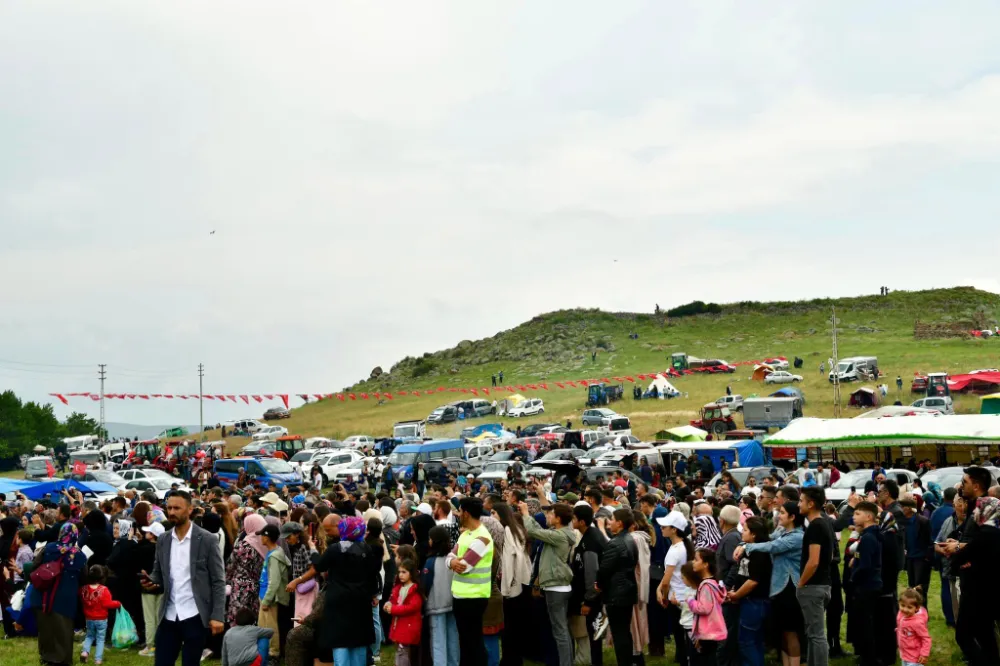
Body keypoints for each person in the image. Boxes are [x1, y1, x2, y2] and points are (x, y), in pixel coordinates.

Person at [141, 491, 226, 666]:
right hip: (169, 614)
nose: (171, 512)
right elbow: (159, 572)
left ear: (189, 510)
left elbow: (218, 580)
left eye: (177, 508)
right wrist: (151, 581)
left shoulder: (207, 540)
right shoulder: (164, 539)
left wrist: (217, 615)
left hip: (195, 614)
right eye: (169, 507)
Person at [736, 501, 804, 666]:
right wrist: (744, 544)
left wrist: (746, 547)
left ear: (792, 517)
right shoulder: (782, 532)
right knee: (783, 633)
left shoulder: (797, 537)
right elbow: (764, 538)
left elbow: (771, 545)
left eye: (782, 512)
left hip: (790, 588)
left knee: (790, 633)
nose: (778, 515)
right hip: (779, 589)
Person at [944, 472, 1000, 665]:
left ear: (976, 485)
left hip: (982, 582)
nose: (961, 486)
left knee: (965, 634)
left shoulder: (989, 504)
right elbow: (976, 538)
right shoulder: (975, 506)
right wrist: (958, 543)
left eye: (964, 482)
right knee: (984, 633)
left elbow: (989, 539)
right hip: (973, 578)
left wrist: (959, 550)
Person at [311, 515, 380, 666]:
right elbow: (372, 574)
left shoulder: (335, 549)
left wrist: (313, 550)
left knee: (340, 641)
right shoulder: (367, 549)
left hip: (339, 600)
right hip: (361, 600)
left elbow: (319, 566)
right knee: (359, 641)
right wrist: (374, 593)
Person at [521, 501, 575, 666]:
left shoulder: (559, 536)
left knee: (560, 631)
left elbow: (532, 530)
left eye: (550, 514)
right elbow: (540, 529)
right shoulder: (558, 532)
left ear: (558, 519)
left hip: (556, 588)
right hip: (557, 587)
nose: (547, 517)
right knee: (561, 629)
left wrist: (525, 513)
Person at [27, 523, 89, 666]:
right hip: (65, 598)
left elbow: (34, 567)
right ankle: (62, 659)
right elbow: (84, 578)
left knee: (45, 629)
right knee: (64, 631)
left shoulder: (47, 548)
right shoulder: (79, 555)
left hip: (42, 595)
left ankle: (47, 656)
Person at [447, 497, 493, 666]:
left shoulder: (483, 538)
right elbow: (450, 557)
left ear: (465, 513)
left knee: (473, 642)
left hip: (474, 597)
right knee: (465, 642)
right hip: (461, 595)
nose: (457, 514)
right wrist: (452, 561)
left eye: (459, 511)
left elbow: (464, 567)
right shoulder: (466, 534)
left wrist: (453, 562)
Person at [725, 517, 771, 666]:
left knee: (747, 642)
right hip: (748, 601)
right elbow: (743, 575)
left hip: (755, 602)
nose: (741, 532)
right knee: (753, 641)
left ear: (754, 534)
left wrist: (737, 594)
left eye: (745, 530)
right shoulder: (749, 547)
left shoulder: (759, 553)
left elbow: (753, 581)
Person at [797, 486, 834, 666]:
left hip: (813, 586)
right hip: (822, 585)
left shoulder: (816, 526)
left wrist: (801, 583)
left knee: (817, 634)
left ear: (811, 504)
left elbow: (813, 561)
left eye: (801, 501)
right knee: (813, 634)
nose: (798, 505)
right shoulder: (823, 523)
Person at [596, 508, 638, 666]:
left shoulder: (615, 543)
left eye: (612, 519)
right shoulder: (630, 539)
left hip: (616, 594)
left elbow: (604, 569)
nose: (609, 522)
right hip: (627, 590)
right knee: (624, 633)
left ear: (619, 523)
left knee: (619, 634)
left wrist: (598, 585)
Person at [845, 501, 882, 666]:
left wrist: (853, 578)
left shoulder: (868, 537)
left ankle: (869, 659)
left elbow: (866, 565)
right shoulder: (869, 534)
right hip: (869, 584)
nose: (853, 517)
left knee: (864, 624)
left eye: (857, 514)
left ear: (868, 517)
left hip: (866, 586)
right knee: (865, 623)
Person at [655, 511, 694, 666]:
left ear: (674, 529)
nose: (662, 528)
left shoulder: (675, 550)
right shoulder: (684, 546)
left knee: (680, 638)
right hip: (682, 595)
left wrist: (663, 595)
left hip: (675, 598)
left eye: (665, 526)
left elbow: (667, 580)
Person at [570, 504, 607, 666]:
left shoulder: (591, 542)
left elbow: (592, 574)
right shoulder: (589, 535)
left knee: (594, 634)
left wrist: (588, 601)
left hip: (593, 599)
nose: (572, 521)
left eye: (574, 519)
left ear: (582, 522)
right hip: (592, 596)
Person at [685, 548, 727, 665]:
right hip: (712, 630)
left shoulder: (706, 586)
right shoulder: (714, 583)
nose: (693, 562)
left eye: (696, 559)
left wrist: (690, 600)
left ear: (705, 564)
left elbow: (704, 608)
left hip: (708, 631)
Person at [423, 525, 459, 666]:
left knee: (438, 641)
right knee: (453, 639)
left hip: (436, 605)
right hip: (452, 603)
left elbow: (426, 584)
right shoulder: (453, 559)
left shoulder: (431, 562)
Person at [256, 522, 291, 662]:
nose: (260, 538)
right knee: (263, 626)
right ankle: (265, 652)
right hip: (264, 594)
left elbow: (274, 581)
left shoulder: (275, 556)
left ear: (267, 538)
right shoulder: (274, 552)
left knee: (270, 627)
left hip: (269, 597)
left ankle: (273, 653)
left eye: (262, 536)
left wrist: (267, 599)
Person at [226, 514, 267, 629]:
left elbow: (230, 566)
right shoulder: (265, 543)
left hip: (240, 587)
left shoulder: (243, 545)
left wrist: (227, 581)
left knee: (238, 619)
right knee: (253, 618)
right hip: (258, 586)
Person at [80, 564, 122, 665]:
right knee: (100, 639)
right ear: (103, 577)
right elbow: (108, 603)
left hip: (89, 618)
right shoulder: (104, 590)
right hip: (101, 619)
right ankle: (98, 660)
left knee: (89, 636)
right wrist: (118, 603)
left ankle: (85, 652)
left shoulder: (84, 589)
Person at [385, 558, 423, 666]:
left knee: (403, 652)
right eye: (399, 572)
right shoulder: (398, 588)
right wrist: (388, 605)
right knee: (400, 651)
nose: (400, 575)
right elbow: (393, 600)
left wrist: (393, 609)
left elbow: (410, 607)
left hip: (408, 626)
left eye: (404, 572)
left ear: (411, 573)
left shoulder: (414, 590)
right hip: (399, 625)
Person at [137, 522, 165, 656]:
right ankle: (160, 644)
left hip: (147, 586)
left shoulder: (144, 549)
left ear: (152, 535)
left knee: (149, 618)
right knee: (159, 617)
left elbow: (139, 567)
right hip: (162, 586)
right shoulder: (165, 549)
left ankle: (150, 645)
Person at [899, 497, 931, 606]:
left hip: (921, 558)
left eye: (902, 507)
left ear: (908, 508)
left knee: (920, 588)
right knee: (911, 586)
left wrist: (927, 557)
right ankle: (913, 610)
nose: (900, 509)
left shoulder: (923, 521)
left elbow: (929, 541)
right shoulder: (902, 522)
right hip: (909, 558)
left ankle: (922, 612)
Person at [896, 588, 931, 666]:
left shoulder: (917, 623)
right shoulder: (900, 615)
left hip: (915, 657)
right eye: (902, 605)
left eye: (909, 607)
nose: (905, 609)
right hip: (905, 654)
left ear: (917, 608)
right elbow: (901, 625)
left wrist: (924, 654)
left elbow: (926, 638)